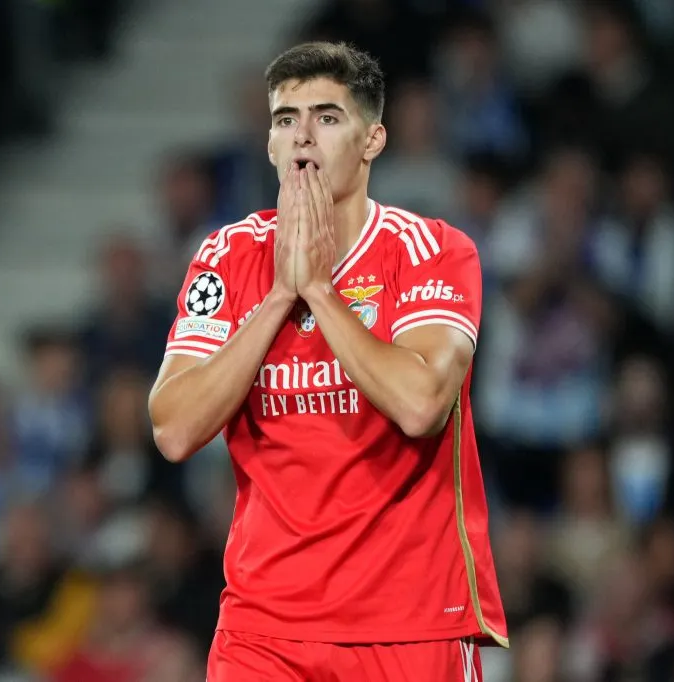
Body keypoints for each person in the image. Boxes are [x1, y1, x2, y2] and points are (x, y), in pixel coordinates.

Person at [148, 41, 508, 681]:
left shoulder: (432, 252)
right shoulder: (229, 257)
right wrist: (281, 294)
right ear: (268, 143)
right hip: (263, 629)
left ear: (372, 140)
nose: (302, 137)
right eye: (285, 120)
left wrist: (318, 288)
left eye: (327, 117)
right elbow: (174, 428)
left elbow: (422, 404)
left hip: (408, 625)